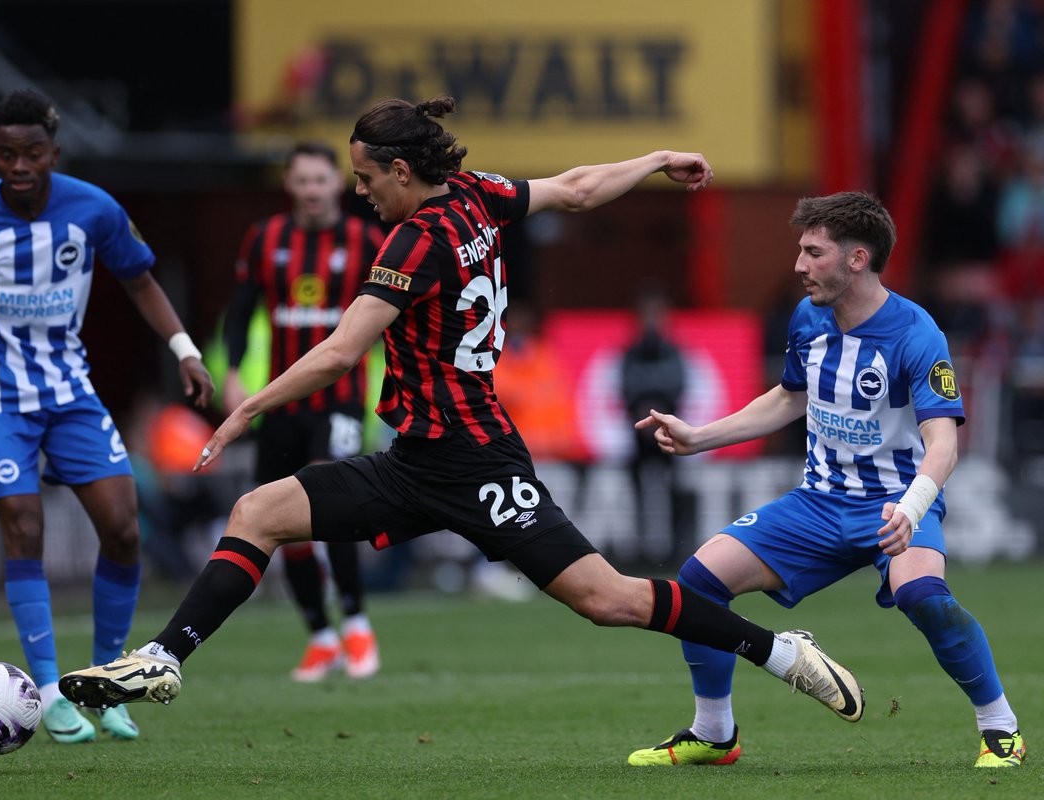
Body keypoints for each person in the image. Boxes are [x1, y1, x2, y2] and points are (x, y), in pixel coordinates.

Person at [60, 97, 865, 761]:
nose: (360, 192)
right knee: (258, 514)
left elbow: (342, 351)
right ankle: (164, 660)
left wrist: (245, 406)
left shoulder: (414, 240)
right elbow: (579, 188)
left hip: (476, 460)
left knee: (609, 599)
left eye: (367, 178)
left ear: (403, 172)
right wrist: (653, 158)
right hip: (416, 460)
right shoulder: (476, 193)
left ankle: (780, 652)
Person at [632, 191, 1025, 768]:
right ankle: (714, 733)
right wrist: (699, 437)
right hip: (817, 504)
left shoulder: (918, 334)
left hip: (894, 502)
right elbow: (790, 397)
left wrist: (912, 509)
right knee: (697, 583)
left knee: (924, 596)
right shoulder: (807, 317)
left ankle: (1001, 729)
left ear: (857, 259)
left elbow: (944, 444)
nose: (799, 265)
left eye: (813, 252)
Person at [0, 89, 214, 744]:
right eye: (6, 154)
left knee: (124, 528)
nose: (19, 166)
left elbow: (139, 279)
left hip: (69, 390)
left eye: (33, 153)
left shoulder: (93, 209)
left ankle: (102, 686)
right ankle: (47, 691)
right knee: (23, 520)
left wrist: (184, 350)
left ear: (54, 154)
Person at [221, 141, 385, 682]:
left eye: (321, 180)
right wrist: (232, 375)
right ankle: (319, 634)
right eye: (302, 181)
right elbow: (241, 314)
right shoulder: (265, 239)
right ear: (288, 185)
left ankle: (357, 625)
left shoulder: (366, 241)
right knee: (275, 516)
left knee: (330, 507)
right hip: (283, 405)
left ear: (337, 184)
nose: (312, 191)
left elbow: (396, 317)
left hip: (338, 401)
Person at [619, 288, 686, 561]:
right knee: (634, 491)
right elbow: (625, 391)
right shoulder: (630, 354)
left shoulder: (673, 353)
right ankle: (639, 547)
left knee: (674, 489)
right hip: (638, 436)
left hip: (668, 435)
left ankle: (677, 546)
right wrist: (646, 420)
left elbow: (678, 389)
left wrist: (658, 417)